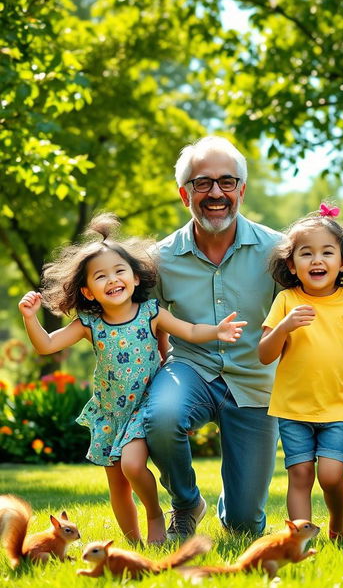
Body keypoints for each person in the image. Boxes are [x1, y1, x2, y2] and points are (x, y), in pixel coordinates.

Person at [18, 214, 246, 544]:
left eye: (119, 271)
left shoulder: (151, 313)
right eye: (101, 276)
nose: (112, 280)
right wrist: (29, 319)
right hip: (110, 413)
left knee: (133, 466)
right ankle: (133, 542)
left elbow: (190, 331)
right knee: (118, 485)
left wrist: (218, 331)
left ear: (136, 278)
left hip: (145, 406)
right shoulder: (89, 322)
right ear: (88, 291)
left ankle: (155, 514)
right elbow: (46, 345)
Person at [143, 135, 281, 540]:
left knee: (243, 526)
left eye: (226, 181)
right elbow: (145, 327)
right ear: (184, 193)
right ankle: (187, 504)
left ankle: (233, 507)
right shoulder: (159, 260)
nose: (216, 193)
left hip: (256, 383)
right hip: (192, 371)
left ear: (242, 189)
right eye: (203, 183)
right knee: (162, 416)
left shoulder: (278, 251)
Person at [258, 206, 343, 540]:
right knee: (299, 475)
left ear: (342, 262)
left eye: (327, 252)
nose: (316, 260)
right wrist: (283, 327)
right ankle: (300, 541)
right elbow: (265, 354)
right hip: (293, 408)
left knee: (329, 475)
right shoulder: (286, 300)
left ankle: (338, 520)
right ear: (292, 265)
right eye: (306, 253)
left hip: (339, 407)